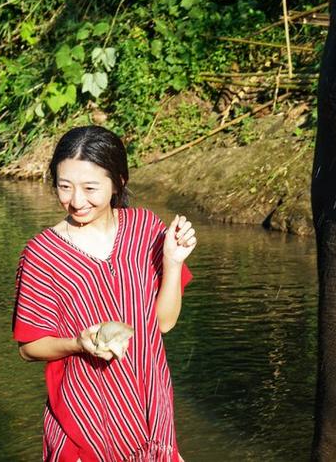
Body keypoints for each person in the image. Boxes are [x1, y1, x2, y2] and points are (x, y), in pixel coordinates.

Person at [13, 125, 197, 462]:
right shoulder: (42, 254)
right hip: (82, 419)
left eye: (90, 188)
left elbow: (163, 323)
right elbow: (29, 348)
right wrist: (77, 344)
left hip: (149, 415)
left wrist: (172, 262)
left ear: (119, 182)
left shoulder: (146, 229)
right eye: (64, 187)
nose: (76, 200)